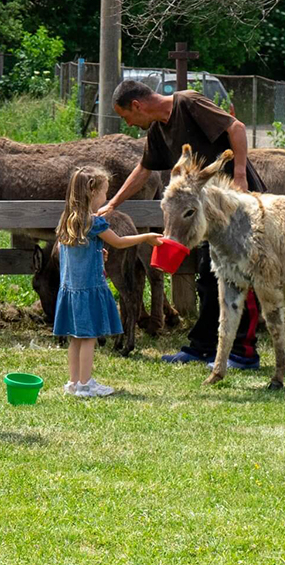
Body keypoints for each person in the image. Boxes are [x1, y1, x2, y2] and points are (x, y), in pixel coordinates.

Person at [100, 79, 265, 371]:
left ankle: (244, 353)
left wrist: (240, 174)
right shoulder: (157, 130)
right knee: (207, 278)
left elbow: (237, 128)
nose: (129, 124)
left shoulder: (188, 103)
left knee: (241, 276)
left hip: (236, 204)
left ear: (137, 105)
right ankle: (202, 347)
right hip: (204, 213)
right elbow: (143, 169)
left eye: (126, 116)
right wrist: (112, 204)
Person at [55, 166, 164, 397]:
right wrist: (146, 237)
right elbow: (119, 242)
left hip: (70, 289)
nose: (106, 197)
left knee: (75, 338)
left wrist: (96, 254)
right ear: (92, 193)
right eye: (105, 192)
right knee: (89, 337)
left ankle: (73, 382)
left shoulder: (68, 221)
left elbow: (73, 252)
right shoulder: (93, 223)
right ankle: (86, 384)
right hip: (88, 289)